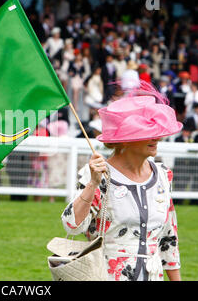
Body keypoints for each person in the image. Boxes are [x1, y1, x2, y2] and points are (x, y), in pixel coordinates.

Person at [61, 86, 182, 281]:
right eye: (146, 133)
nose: (157, 137)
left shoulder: (162, 175)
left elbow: (169, 239)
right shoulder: (97, 174)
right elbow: (72, 225)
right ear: (124, 140)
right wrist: (93, 183)